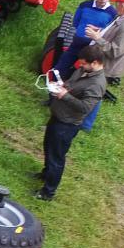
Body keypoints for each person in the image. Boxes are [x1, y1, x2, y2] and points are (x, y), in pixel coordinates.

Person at [35, 43, 108, 202]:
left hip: (67, 124)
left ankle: (48, 192)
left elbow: (85, 108)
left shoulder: (96, 84)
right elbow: (72, 83)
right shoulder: (84, 70)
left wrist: (65, 96)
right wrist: (63, 86)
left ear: (95, 63)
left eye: (84, 63)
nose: (80, 66)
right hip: (58, 115)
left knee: (57, 157)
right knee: (48, 147)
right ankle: (46, 174)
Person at [46, 0, 118, 74]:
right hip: (78, 41)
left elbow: (109, 31)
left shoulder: (113, 14)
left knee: (87, 70)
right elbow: (76, 22)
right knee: (64, 62)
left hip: (94, 46)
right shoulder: (84, 5)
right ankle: (54, 78)